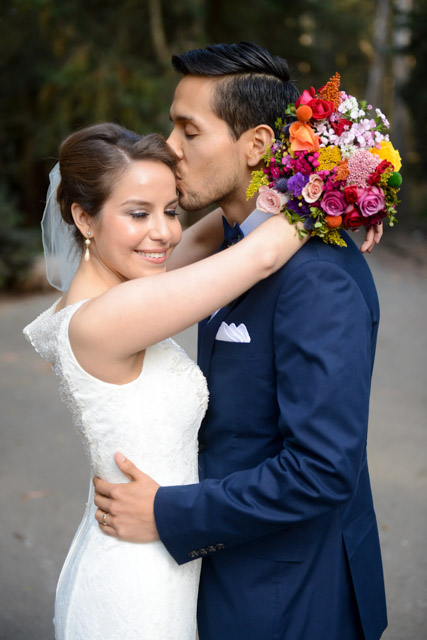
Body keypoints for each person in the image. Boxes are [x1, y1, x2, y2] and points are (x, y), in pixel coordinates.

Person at [93, 43, 388, 640]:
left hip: (289, 597)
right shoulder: (232, 248)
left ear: (255, 145)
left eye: (189, 130)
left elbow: (324, 469)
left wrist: (168, 513)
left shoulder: (318, 279)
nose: (169, 146)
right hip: (228, 575)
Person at [23, 122, 308, 639]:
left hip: (156, 549)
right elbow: (261, 255)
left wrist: (287, 173)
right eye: (138, 213)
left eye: (171, 210)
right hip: (133, 583)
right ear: (83, 218)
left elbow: (226, 217)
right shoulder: (108, 318)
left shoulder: (121, 286)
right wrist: (344, 189)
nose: (165, 232)